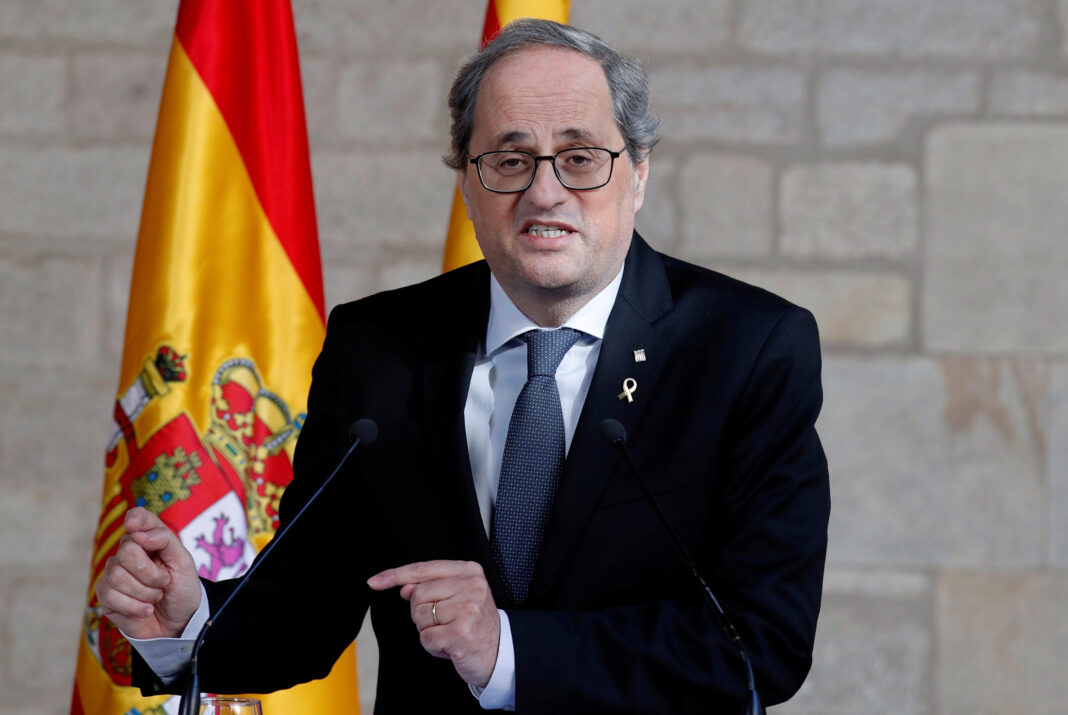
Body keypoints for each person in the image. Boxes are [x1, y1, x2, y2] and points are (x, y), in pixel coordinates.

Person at [97, 19, 830, 714]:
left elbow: (759, 645)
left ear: (637, 173)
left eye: (579, 158)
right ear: (468, 184)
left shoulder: (748, 348)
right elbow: (307, 607)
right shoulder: (376, 346)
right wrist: (189, 616)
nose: (545, 192)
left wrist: (508, 650)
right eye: (510, 160)